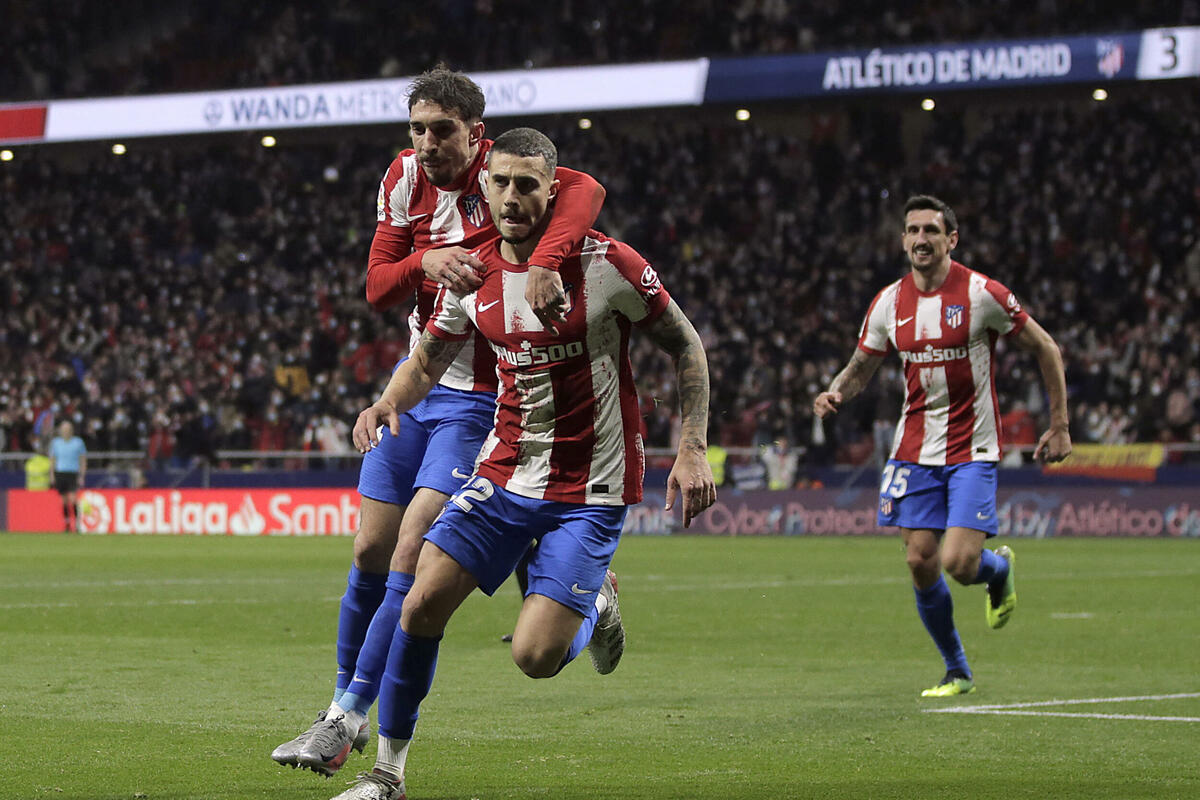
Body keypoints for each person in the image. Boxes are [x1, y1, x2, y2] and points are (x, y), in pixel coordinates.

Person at [328, 127, 715, 800]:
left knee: (534, 657)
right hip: (505, 472)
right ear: (485, 185)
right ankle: (388, 774)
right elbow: (427, 361)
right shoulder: (472, 273)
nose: (511, 197)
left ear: (552, 191)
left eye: (527, 185)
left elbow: (686, 344)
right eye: (501, 183)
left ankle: (597, 602)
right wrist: (388, 401)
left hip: (590, 487)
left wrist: (692, 447)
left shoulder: (609, 264)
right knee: (420, 602)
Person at [271, 68, 606, 775]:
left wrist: (545, 261)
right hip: (420, 377)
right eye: (417, 129)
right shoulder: (403, 176)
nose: (426, 143)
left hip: (484, 396)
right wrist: (428, 259)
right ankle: (341, 707)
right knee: (369, 548)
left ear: (476, 135)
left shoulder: (505, 177)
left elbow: (584, 191)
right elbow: (377, 287)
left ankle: (345, 720)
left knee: (411, 549)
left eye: (441, 130)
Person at [813, 195, 1071, 697]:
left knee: (959, 562)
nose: (921, 239)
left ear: (952, 239)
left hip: (972, 447)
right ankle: (957, 670)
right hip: (913, 449)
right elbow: (863, 363)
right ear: (903, 240)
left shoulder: (981, 294)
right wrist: (837, 390)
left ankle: (998, 569)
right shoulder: (889, 302)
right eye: (913, 230)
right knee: (919, 560)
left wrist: (1059, 423)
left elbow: (1046, 347)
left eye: (931, 230)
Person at [48, 420, 87, 532]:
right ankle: (67, 523)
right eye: (64, 429)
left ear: (72, 430)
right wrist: (52, 475)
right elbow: (53, 460)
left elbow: (83, 460)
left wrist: (82, 475)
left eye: (68, 429)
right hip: (60, 472)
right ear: (60, 430)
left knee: (73, 499)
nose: (66, 431)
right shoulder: (56, 443)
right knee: (64, 500)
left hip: (73, 472)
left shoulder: (78, 442)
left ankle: (77, 523)